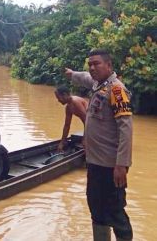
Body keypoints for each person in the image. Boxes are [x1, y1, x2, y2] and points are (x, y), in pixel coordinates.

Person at [65, 49, 133, 241]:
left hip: (111, 166)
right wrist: (72, 75)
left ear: (109, 66)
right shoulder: (98, 84)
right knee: (96, 208)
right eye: (90, 64)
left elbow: (126, 129)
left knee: (116, 212)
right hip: (94, 163)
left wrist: (122, 164)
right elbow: (86, 77)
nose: (92, 68)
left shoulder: (117, 90)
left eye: (97, 63)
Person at [54, 85, 88, 152]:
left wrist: (85, 138)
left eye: (58, 97)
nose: (58, 100)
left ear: (65, 95)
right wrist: (62, 142)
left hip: (96, 123)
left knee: (86, 146)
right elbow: (67, 125)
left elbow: (87, 121)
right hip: (89, 124)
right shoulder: (68, 108)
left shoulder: (75, 102)